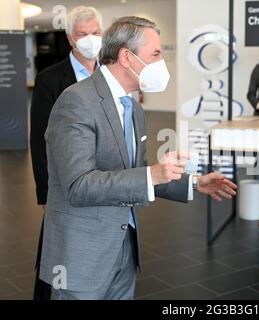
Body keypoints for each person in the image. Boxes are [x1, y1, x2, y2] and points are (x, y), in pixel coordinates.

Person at [39, 16, 237, 300]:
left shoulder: (133, 108)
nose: (161, 62)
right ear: (126, 57)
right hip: (82, 257)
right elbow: (78, 186)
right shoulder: (76, 102)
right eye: (155, 54)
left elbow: (136, 172)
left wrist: (193, 182)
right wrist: (153, 174)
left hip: (124, 249)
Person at [30, 6, 103, 300]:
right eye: (83, 34)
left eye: (95, 33)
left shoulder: (109, 74)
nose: (90, 40)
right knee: (59, 247)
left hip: (102, 177)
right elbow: (39, 139)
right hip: (64, 181)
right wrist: (45, 193)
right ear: (70, 39)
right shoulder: (50, 80)